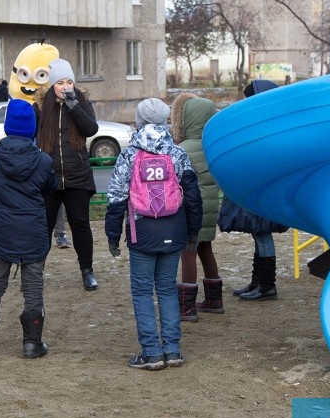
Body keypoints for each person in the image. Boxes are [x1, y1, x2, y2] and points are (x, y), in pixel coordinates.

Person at [105, 98, 202, 371]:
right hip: (174, 228)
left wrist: (112, 236)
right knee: (168, 289)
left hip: (142, 232)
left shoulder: (129, 155)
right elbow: (193, 197)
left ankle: (151, 352)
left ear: (139, 121)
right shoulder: (177, 153)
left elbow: (115, 198)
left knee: (142, 292)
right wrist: (192, 231)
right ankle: (172, 350)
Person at [0, 99, 56, 359]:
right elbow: (49, 188)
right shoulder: (43, 160)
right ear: (32, 128)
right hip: (33, 230)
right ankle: (32, 343)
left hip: (2, 229)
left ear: (7, 126)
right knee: (33, 287)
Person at [33, 58, 100, 291]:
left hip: (77, 175)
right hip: (49, 177)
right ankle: (36, 270)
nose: (65, 87)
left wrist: (74, 107)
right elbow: (29, 136)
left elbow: (91, 129)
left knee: (80, 224)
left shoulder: (81, 102)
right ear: (52, 85)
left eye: (69, 82)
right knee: (44, 226)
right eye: (60, 82)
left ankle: (87, 271)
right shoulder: (40, 107)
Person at [219, 80, 289, 301]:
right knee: (258, 234)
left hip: (264, 189)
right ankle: (258, 282)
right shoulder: (271, 124)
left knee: (262, 233)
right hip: (260, 188)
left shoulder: (268, 126)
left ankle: (267, 286)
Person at [171, 93, 222, 321]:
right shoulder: (213, 147)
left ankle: (186, 307)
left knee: (188, 253)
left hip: (189, 211)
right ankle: (214, 300)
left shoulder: (182, 149)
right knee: (205, 249)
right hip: (210, 209)